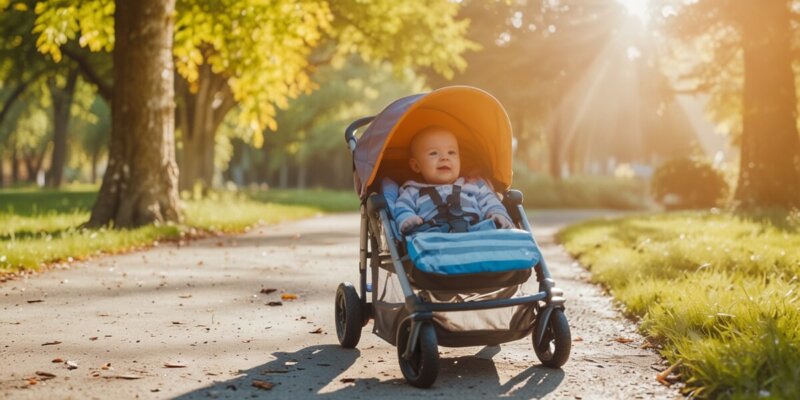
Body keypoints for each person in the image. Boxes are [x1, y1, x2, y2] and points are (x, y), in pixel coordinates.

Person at [394, 126, 514, 234]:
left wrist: (497, 213)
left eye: (451, 152)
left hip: (476, 232)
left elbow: (490, 201)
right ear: (416, 166)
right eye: (433, 153)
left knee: (492, 227)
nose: (444, 158)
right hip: (434, 236)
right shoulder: (412, 190)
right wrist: (407, 218)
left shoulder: (473, 183)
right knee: (421, 234)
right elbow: (402, 206)